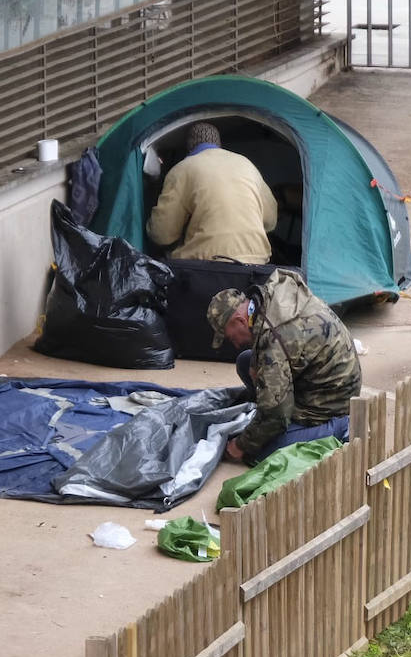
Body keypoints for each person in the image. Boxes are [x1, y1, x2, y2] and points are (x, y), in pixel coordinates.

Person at [206, 269, 360, 464]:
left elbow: (277, 415)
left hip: (332, 403)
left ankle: (340, 428)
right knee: (245, 361)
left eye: (230, 337)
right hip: (323, 378)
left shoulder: (274, 339)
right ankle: (269, 411)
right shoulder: (268, 299)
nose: (234, 343)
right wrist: (258, 365)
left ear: (240, 321)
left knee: (261, 453)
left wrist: (241, 445)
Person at [146, 121, 278, 264]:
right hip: (256, 261)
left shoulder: (183, 169)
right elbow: (270, 221)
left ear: (189, 147)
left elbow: (162, 235)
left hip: (205, 264)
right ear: (218, 144)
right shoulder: (246, 164)